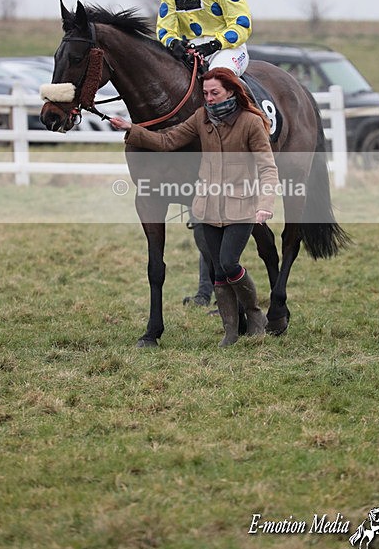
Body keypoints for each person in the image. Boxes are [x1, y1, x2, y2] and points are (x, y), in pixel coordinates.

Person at [110, 68, 279, 347]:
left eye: (215, 93)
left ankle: (254, 312)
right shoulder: (201, 118)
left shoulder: (251, 122)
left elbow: (268, 169)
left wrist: (265, 205)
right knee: (218, 273)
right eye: (206, 94)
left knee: (229, 263)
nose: (209, 99)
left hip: (240, 207)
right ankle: (230, 332)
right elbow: (168, 141)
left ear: (231, 92)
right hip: (206, 207)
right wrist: (132, 130)